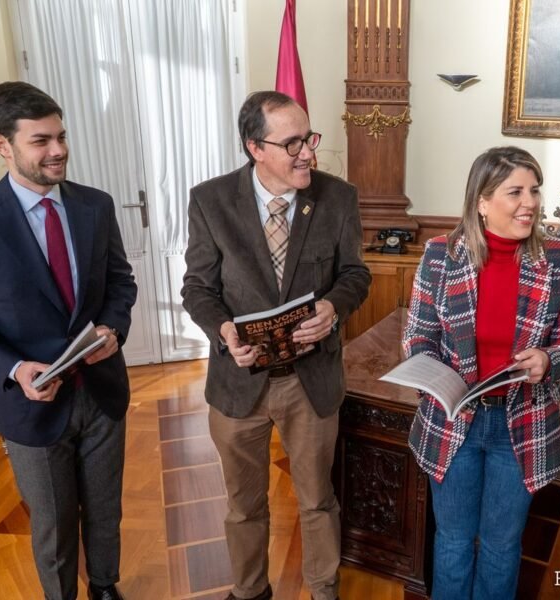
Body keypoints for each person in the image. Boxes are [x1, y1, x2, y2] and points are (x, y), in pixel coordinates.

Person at [0, 82, 137, 600]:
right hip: (30, 407)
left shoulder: (95, 206)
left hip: (101, 393)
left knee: (105, 509)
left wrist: (113, 329)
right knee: (53, 526)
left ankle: (104, 587)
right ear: (1, 145)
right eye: (40, 141)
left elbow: (120, 284)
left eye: (60, 136)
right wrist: (15, 370)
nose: (57, 150)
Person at [181, 90, 371, 600]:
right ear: (254, 148)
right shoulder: (209, 200)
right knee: (244, 505)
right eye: (292, 144)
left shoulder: (338, 197)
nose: (308, 152)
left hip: (311, 383)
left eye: (309, 138)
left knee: (317, 500)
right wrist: (223, 332)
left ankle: (323, 587)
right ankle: (249, 591)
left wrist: (333, 307)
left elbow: (355, 274)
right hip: (238, 384)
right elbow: (198, 287)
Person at [403, 146, 560, 600]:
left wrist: (548, 361)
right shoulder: (441, 255)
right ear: (482, 201)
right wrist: (436, 377)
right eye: (516, 192)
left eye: (535, 190)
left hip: (521, 424)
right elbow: (418, 338)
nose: (531, 202)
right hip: (453, 422)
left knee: (503, 546)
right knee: (452, 541)